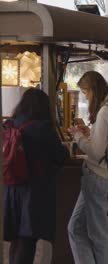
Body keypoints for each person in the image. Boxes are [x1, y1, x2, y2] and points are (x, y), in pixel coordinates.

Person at [3, 88, 69, 264]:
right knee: (28, 240)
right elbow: (60, 155)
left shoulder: (12, 124)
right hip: (33, 193)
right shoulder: (43, 128)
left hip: (11, 190)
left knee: (16, 240)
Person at [67, 71, 108, 264]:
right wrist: (90, 133)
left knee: (98, 233)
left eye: (85, 92)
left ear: (93, 89)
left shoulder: (105, 111)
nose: (85, 96)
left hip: (96, 177)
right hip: (103, 176)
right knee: (76, 228)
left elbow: (96, 152)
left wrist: (78, 136)